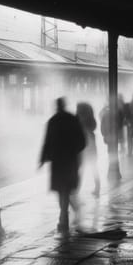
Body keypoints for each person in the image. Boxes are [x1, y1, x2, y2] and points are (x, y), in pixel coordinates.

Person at [40, 98, 86, 233]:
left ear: (57, 106)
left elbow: (46, 141)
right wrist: (74, 151)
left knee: (61, 189)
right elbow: (82, 142)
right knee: (67, 188)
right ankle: (66, 214)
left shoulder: (52, 121)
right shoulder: (73, 119)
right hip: (71, 160)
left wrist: (42, 159)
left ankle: (63, 216)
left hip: (57, 162)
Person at [76, 102, 100, 196]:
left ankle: (77, 189)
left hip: (83, 149)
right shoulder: (91, 120)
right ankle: (97, 187)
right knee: (94, 168)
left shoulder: (79, 120)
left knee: (80, 170)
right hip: (92, 148)